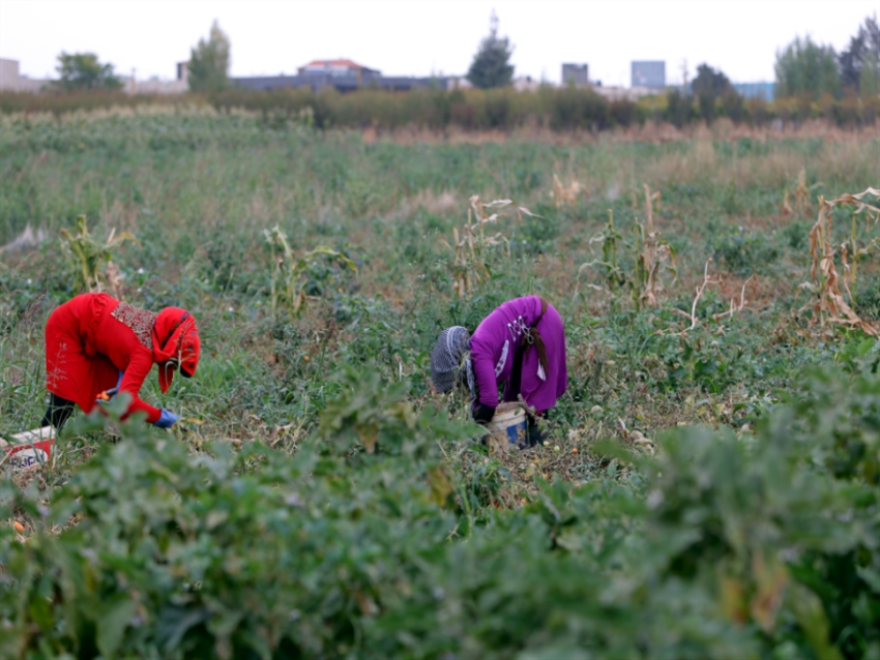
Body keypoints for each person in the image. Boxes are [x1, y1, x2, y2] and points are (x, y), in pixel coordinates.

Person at [41, 292, 200, 431]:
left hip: (88, 323)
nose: (170, 363)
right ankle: (38, 453)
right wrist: (164, 418)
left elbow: (121, 341)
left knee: (114, 406)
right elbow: (128, 400)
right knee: (63, 402)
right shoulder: (143, 352)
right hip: (67, 326)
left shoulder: (153, 324)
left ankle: (115, 450)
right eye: (174, 359)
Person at [430, 295, 567, 445]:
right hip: (527, 331)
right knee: (515, 400)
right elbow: (481, 399)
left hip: (542, 321)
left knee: (533, 404)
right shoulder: (477, 351)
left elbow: (489, 403)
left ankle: (540, 455)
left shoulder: (479, 354)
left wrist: (470, 431)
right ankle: (522, 451)